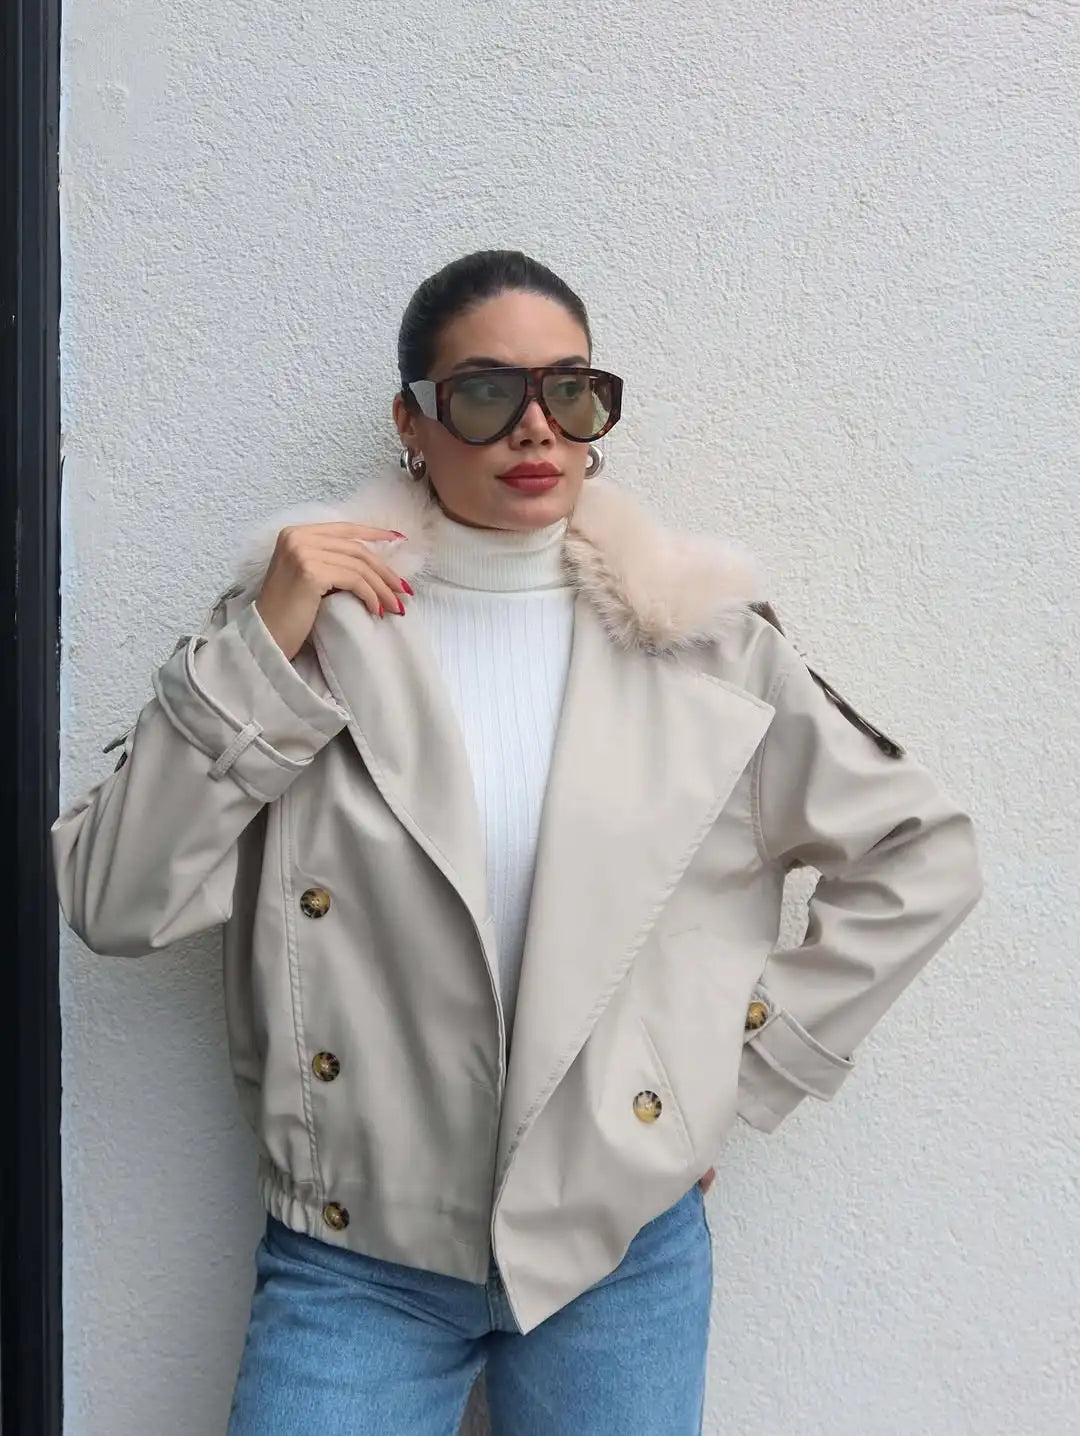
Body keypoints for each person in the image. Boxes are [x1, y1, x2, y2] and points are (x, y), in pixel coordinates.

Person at [52, 249, 983, 1435]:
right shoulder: (300, 640)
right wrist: (263, 645)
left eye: (573, 391)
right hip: (355, 1255)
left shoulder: (704, 646)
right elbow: (111, 897)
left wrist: (727, 1078)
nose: (535, 428)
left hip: (617, 1250)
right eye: (488, 393)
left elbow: (921, 852)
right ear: (414, 420)